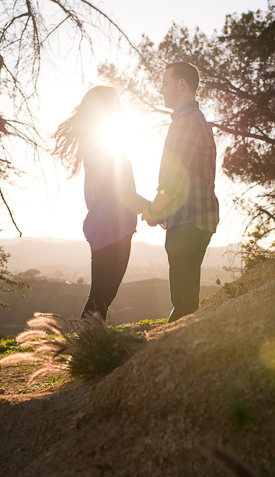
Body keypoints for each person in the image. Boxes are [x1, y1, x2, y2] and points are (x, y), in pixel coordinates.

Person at [53, 86, 150, 320]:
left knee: (103, 296)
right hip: (109, 227)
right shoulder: (99, 145)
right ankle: (84, 348)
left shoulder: (101, 143)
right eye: (117, 104)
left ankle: (89, 345)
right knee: (100, 297)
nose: (121, 108)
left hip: (116, 226)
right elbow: (116, 188)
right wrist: (149, 207)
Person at [142, 62, 219, 323]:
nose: (161, 89)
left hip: (187, 220)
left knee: (183, 303)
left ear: (181, 84)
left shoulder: (185, 121)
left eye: (165, 83)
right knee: (187, 299)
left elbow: (173, 180)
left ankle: (180, 356)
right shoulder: (197, 121)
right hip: (197, 220)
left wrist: (154, 210)